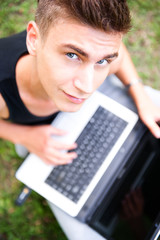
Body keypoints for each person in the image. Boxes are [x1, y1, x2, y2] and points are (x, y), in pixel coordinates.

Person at [0, 0, 160, 239]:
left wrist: (139, 92)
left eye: (102, 61)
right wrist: (24, 136)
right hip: (47, 134)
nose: (87, 86)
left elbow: (118, 54)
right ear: (34, 39)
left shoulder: (98, 47)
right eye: (73, 55)